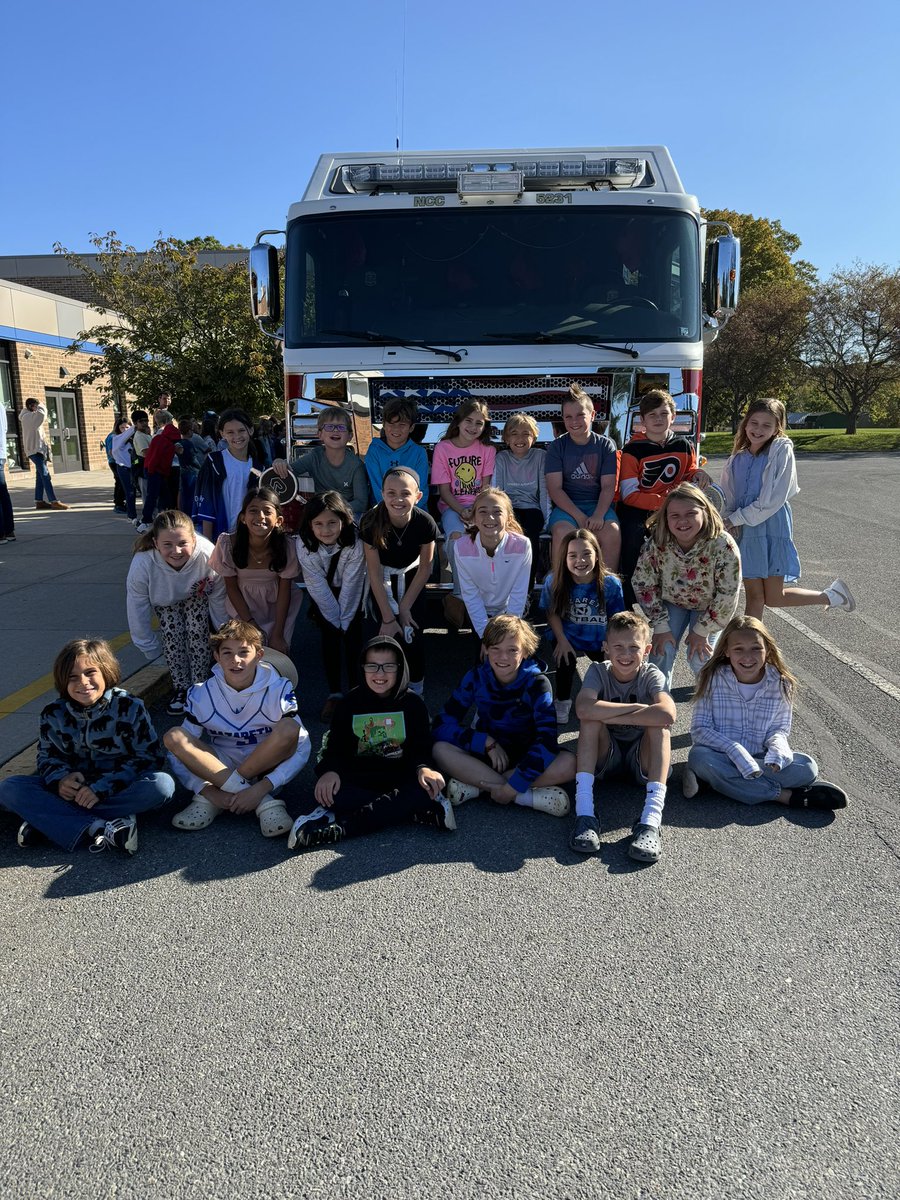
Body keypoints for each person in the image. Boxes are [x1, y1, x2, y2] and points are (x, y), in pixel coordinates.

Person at [0, 639, 174, 853]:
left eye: (90, 673)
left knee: (162, 785)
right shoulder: (53, 713)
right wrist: (61, 780)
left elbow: (150, 757)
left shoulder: (130, 706)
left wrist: (101, 788)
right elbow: (47, 757)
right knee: (9, 788)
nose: (83, 682)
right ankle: (100, 826)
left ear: (106, 672)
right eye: (72, 677)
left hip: (117, 787)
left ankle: (50, 820)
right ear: (62, 681)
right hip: (74, 791)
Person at [288, 635, 455, 849]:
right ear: (362, 668)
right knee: (331, 793)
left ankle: (341, 828)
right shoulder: (349, 703)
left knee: (426, 787)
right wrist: (330, 771)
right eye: (372, 666)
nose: (380, 674)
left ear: (400, 668)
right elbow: (335, 747)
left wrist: (424, 768)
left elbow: (421, 746)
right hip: (360, 779)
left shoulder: (413, 703)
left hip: (400, 777)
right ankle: (413, 812)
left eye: (388, 666)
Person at [684, 615, 848, 810]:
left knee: (807, 767)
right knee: (700, 758)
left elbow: (779, 729)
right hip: (720, 754)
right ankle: (785, 797)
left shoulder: (781, 683)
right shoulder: (712, 677)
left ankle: (713, 781)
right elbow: (700, 730)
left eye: (756, 648)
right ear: (726, 651)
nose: (748, 657)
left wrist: (778, 752)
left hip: (760, 758)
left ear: (767, 649)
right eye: (738, 649)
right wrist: (734, 749)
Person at [164, 620, 310, 837]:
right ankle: (264, 803)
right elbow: (178, 751)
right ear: (216, 656)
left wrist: (265, 785)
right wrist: (206, 789)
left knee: (290, 728)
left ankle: (228, 797)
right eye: (227, 653)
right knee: (174, 736)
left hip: (265, 769)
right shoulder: (202, 693)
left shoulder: (279, 688)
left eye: (244, 652)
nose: (236, 660)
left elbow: (303, 744)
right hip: (218, 767)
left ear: (259, 655)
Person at [719, 398, 855, 619]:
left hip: (772, 526)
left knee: (774, 598)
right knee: (755, 597)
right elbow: (729, 496)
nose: (758, 430)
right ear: (746, 423)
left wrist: (735, 519)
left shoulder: (781, 450)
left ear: (777, 428)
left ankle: (831, 596)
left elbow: (772, 500)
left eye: (766, 425)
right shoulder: (736, 459)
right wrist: (728, 520)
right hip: (745, 530)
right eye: (754, 423)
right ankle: (752, 642)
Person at [432, 614, 575, 817]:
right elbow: (441, 724)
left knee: (570, 763)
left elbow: (547, 741)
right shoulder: (476, 677)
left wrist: (513, 784)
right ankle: (525, 797)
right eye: (495, 649)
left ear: (525, 652)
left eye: (512, 650)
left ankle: (481, 787)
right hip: (489, 755)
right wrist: (484, 742)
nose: (503, 657)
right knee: (440, 750)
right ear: (485, 649)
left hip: (527, 757)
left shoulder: (537, 683)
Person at [571, 610, 676, 863]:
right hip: (607, 755)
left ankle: (651, 821)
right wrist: (639, 710)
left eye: (634, 647)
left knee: (659, 727)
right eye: (618, 646)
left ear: (647, 649)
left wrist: (608, 714)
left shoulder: (651, 674)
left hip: (641, 759)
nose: (625, 654)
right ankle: (585, 814)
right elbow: (583, 708)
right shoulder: (598, 671)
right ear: (605, 648)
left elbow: (667, 713)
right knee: (590, 721)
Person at [631, 482, 741, 691]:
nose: (683, 521)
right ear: (666, 518)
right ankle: (658, 703)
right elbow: (643, 582)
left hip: (708, 608)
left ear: (705, 511)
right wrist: (660, 625)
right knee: (661, 651)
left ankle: (721, 699)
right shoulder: (658, 542)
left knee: (700, 657)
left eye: (691, 514)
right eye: (675, 515)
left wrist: (702, 630)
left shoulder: (722, 545)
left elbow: (728, 593)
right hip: (673, 602)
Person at [126, 510, 228, 714]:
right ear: (155, 543)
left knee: (197, 632)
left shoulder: (207, 554)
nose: (176, 551)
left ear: (194, 539)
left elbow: (218, 597)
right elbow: (137, 608)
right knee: (172, 635)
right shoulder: (142, 563)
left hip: (196, 595)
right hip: (165, 601)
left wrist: (223, 633)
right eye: (167, 545)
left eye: (183, 543)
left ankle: (199, 685)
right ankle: (181, 686)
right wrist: (148, 646)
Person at [616, 388, 709, 606]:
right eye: (652, 415)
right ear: (642, 420)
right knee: (632, 536)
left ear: (673, 417)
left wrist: (698, 473)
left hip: (672, 507)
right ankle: (630, 597)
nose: (658, 419)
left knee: (699, 531)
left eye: (664, 413)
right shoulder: (632, 450)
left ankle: (691, 589)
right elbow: (629, 495)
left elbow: (688, 473)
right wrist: (664, 503)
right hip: (639, 508)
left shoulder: (683, 445)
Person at [360, 467, 437, 697]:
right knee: (380, 640)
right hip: (381, 582)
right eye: (391, 493)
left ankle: (416, 691)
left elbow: (425, 568)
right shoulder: (371, 521)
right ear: (382, 494)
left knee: (413, 636)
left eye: (405, 493)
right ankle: (381, 692)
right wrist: (388, 617)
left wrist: (404, 608)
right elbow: (374, 572)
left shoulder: (425, 522)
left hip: (412, 579)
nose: (398, 499)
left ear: (418, 496)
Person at [540, 527, 625, 724]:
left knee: (610, 664)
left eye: (587, 553)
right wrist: (561, 640)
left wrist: (610, 645)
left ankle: (610, 698)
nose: (580, 560)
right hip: (568, 634)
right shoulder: (554, 581)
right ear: (564, 558)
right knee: (564, 660)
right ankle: (562, 700)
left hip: (598, 636)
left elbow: (616, 618)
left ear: (597, 555)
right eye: (573, 555)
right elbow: (551, 612)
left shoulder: (611, 584)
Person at [296, 491, 366, 722]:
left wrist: (344, 621)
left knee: (354, 639)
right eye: (318, 524)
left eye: (332, 523)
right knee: (330, 638)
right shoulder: (303, 543)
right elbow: (315, 584)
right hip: (324, 593)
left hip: (351, 591)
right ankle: (334, 693)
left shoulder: (355, 541)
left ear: (343, 520)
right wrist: (335, 622)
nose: (325, 530)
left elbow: (352, 584)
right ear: (310, 524)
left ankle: (357, 692)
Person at [209, 488, 302, 656]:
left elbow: (285, 590)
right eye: (253, 511)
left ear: (279, 520)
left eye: (267, 511)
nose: (260, 516)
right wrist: (250, 623)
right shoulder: (228, 544)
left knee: (277, 653)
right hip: (242, 606)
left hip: (278, 607)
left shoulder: (287, 546)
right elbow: (231, 588)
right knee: (245, 653)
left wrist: (278, 633)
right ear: (243, 518)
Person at [430, 399, 496, 626]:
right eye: (469, 420)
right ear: (458, 421)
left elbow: (486, 488)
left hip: (481, 506)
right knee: (456, 540)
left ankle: (490, 597)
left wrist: (476, 511)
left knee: (488, 541)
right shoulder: (443, 448)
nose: (473, 427)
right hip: (452, 507)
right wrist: (461, 510)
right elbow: (444, 491)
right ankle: (460, 593)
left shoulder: (488, 450)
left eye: (479, 423)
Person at [545, 383, 618, 570]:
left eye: (580, 415)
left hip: (598, 505)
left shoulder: (605, 446)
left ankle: (607, 583)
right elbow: (555, 489)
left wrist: (599, 515)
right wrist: (578, 516)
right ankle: (560, 583)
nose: (574, 421)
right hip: (567, 508)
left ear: (592, 415)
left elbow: (608, 486)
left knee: (611, 532)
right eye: (568, 417)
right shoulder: (557, 447)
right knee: (563, 533)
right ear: (563, 418)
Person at [454, 488, 532, 640]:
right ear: (474, 518)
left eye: (497, 512)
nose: (490, 517)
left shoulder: (522, 545)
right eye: (483, 511)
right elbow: (470, 594)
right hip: (479, 612)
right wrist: (485, 636)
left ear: (509, 518)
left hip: (509, 611)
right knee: (485, 652)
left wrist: (508, 633)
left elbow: (519, 592)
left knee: (510, 649)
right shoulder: (461, 547)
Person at [273, 406, 369, 519]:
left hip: (347, 515)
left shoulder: (356, 465)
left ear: (350, 436)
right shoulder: (315, 456)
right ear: (320, 434)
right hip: (320, 514)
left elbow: (361, 503)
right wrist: (280, 463)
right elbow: (290, 471)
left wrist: (334, 510)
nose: (335, 430)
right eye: (329, 427)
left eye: (341, 427)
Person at [492, 413, 550, 593]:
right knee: (507, 539)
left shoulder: (541, 456)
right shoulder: (501, 458)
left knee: (529, 540)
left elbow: (545, 490)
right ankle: (504, 590)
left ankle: (526, 591)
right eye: (514, 434)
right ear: (506, 438)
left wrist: (546, 520)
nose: (520, 439)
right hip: (509, 509)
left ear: (534, 437)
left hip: (532, 508)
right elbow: (497, 491)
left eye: (526, 434)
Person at [194, 408, 266, 540]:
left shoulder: (258, 468)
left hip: (248, 536)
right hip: (219, 536)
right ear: (222, 434)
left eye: (241, 430)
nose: (237, 436)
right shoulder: (214, 462)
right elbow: (206, 507)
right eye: (230, 432)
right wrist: (208, 544)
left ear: (250, 430)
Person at [364, 396, 429, 506]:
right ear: (384, 425)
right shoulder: (374, 450)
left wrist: (406, 510)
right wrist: (394, 510)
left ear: (411, 427)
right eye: (391, 423)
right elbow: (377, 488)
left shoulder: (419, 453)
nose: (396, 429)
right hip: (382, 508)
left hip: (413, 508)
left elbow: (421, 490)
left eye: (402, 424)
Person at [136, 410, 183, 531]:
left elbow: (154, 455)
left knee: (160, 495)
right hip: (158, 470)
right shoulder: (168, 436)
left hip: (154, 469)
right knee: (157, 495)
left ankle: (153, 519)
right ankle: (147, 520)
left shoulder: (158, 435)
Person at [18, 397, 67, 510]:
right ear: (30, 406)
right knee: (45, 475)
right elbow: (42, 414)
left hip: (38, 450)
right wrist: (41, 403)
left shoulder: (29, 416)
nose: (37, 408)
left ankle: (39, 501)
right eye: (35, 406)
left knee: (40, 476)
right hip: (35, 451)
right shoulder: (28, 417)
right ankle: (54, 501)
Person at [109, 416, 139, 522]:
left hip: (134, 467)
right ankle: (132, 516)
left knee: (137, 491)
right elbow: (114, 452)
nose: (125, 430)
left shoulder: (134, 438)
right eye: (122, 427)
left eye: (127, 427)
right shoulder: (116, 438)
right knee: (130, 492)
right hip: (123, 468)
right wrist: (134, 426)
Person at [0, 400, 16, 544]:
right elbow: (4, 429)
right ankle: (9, 530)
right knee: (3, 493)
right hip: (1, 454)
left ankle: (1, 533)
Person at [130, 410, 152, 499]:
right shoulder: (139, 436)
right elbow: (146, 453)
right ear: (135, 423)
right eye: (141, 421)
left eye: (146, 420)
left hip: (148, 468)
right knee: (147, 496)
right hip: (143, 468)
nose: (144, 423)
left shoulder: (146, 435)